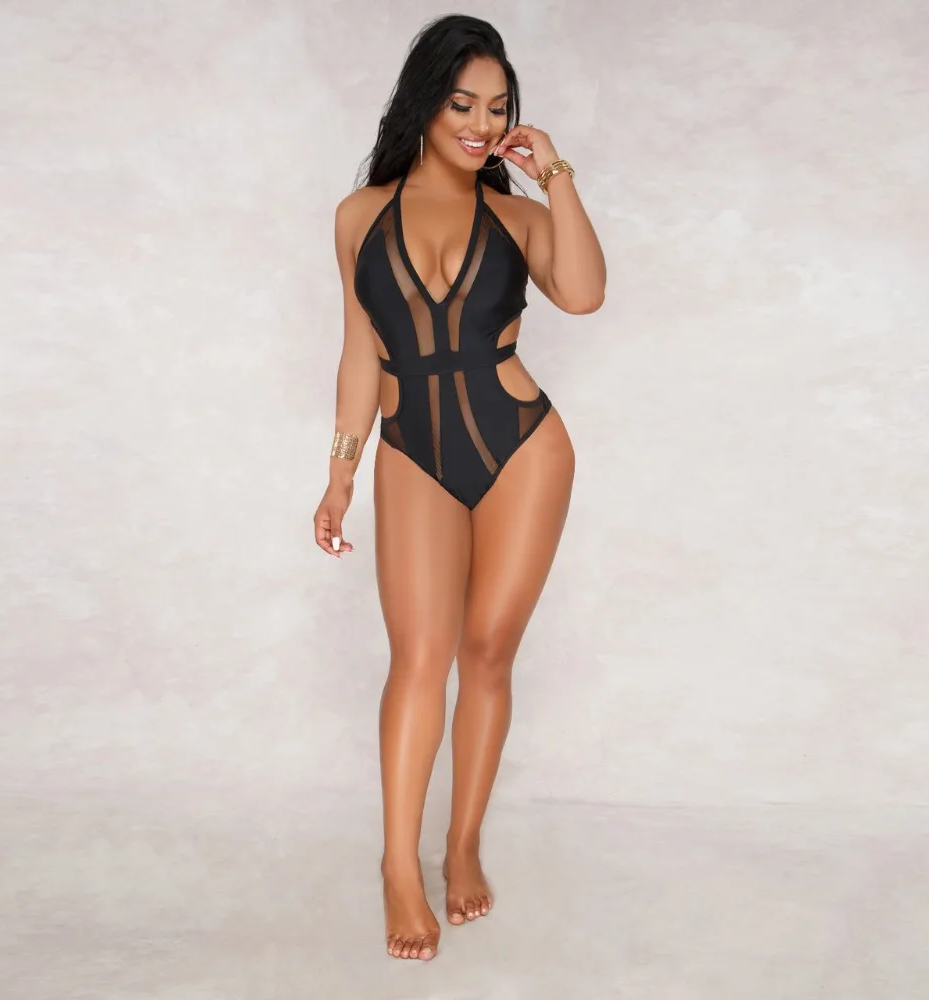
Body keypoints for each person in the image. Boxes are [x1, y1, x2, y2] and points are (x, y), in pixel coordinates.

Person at [313, 14, 605, 961]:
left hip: (524, 449)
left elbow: (586, 294)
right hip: (414, 454)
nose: (483, 124)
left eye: (499, 108)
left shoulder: (520, 217)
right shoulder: (359, 215)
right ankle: (399, 866)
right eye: (462, 104)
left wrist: (555, 173)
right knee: (418, 658)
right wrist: (340, 472)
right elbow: (360, 350)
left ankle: (463, 843)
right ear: (424, 105)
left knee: (486, 653)